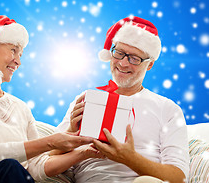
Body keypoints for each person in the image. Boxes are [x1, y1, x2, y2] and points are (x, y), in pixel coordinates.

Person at [0, 15, 103, 183]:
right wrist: (51, 142)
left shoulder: (20, 107)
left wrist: (84, 153)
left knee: (15, 171)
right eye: (13, 50)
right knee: (9, 168)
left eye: (20, 54)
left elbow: (35, 168)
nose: (18, 61)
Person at [57, 16, 189, 183]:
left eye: (134, 58)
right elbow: (46, 158)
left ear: (149, 64)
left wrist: (129, 158)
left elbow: (180, 178)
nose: (123, 63)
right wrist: (70, 131)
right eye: (119, 53)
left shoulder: (167, 109)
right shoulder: (86, 99)